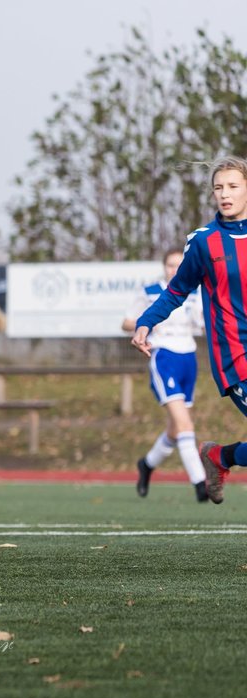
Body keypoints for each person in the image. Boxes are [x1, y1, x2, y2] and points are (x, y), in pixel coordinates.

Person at [133, 155, 247, 505]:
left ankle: (220, 458)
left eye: (232, 186)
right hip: (235, 355)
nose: (224, 194)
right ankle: (219, 459)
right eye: (218, 188)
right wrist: (145, 322)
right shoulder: (204, 242)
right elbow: (177, 291)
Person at [123, 249, 207, 502]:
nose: (174, 270)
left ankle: (147, 465)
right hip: (164, 356)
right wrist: (148, 322)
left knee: (175, 429)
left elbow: (202, 324)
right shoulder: (150, 292)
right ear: (164, 267)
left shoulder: (193, 291)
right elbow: (127, 322)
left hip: (188, 357)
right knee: (184, 424)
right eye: (170, 265)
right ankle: (200, 482)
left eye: (179, 266)